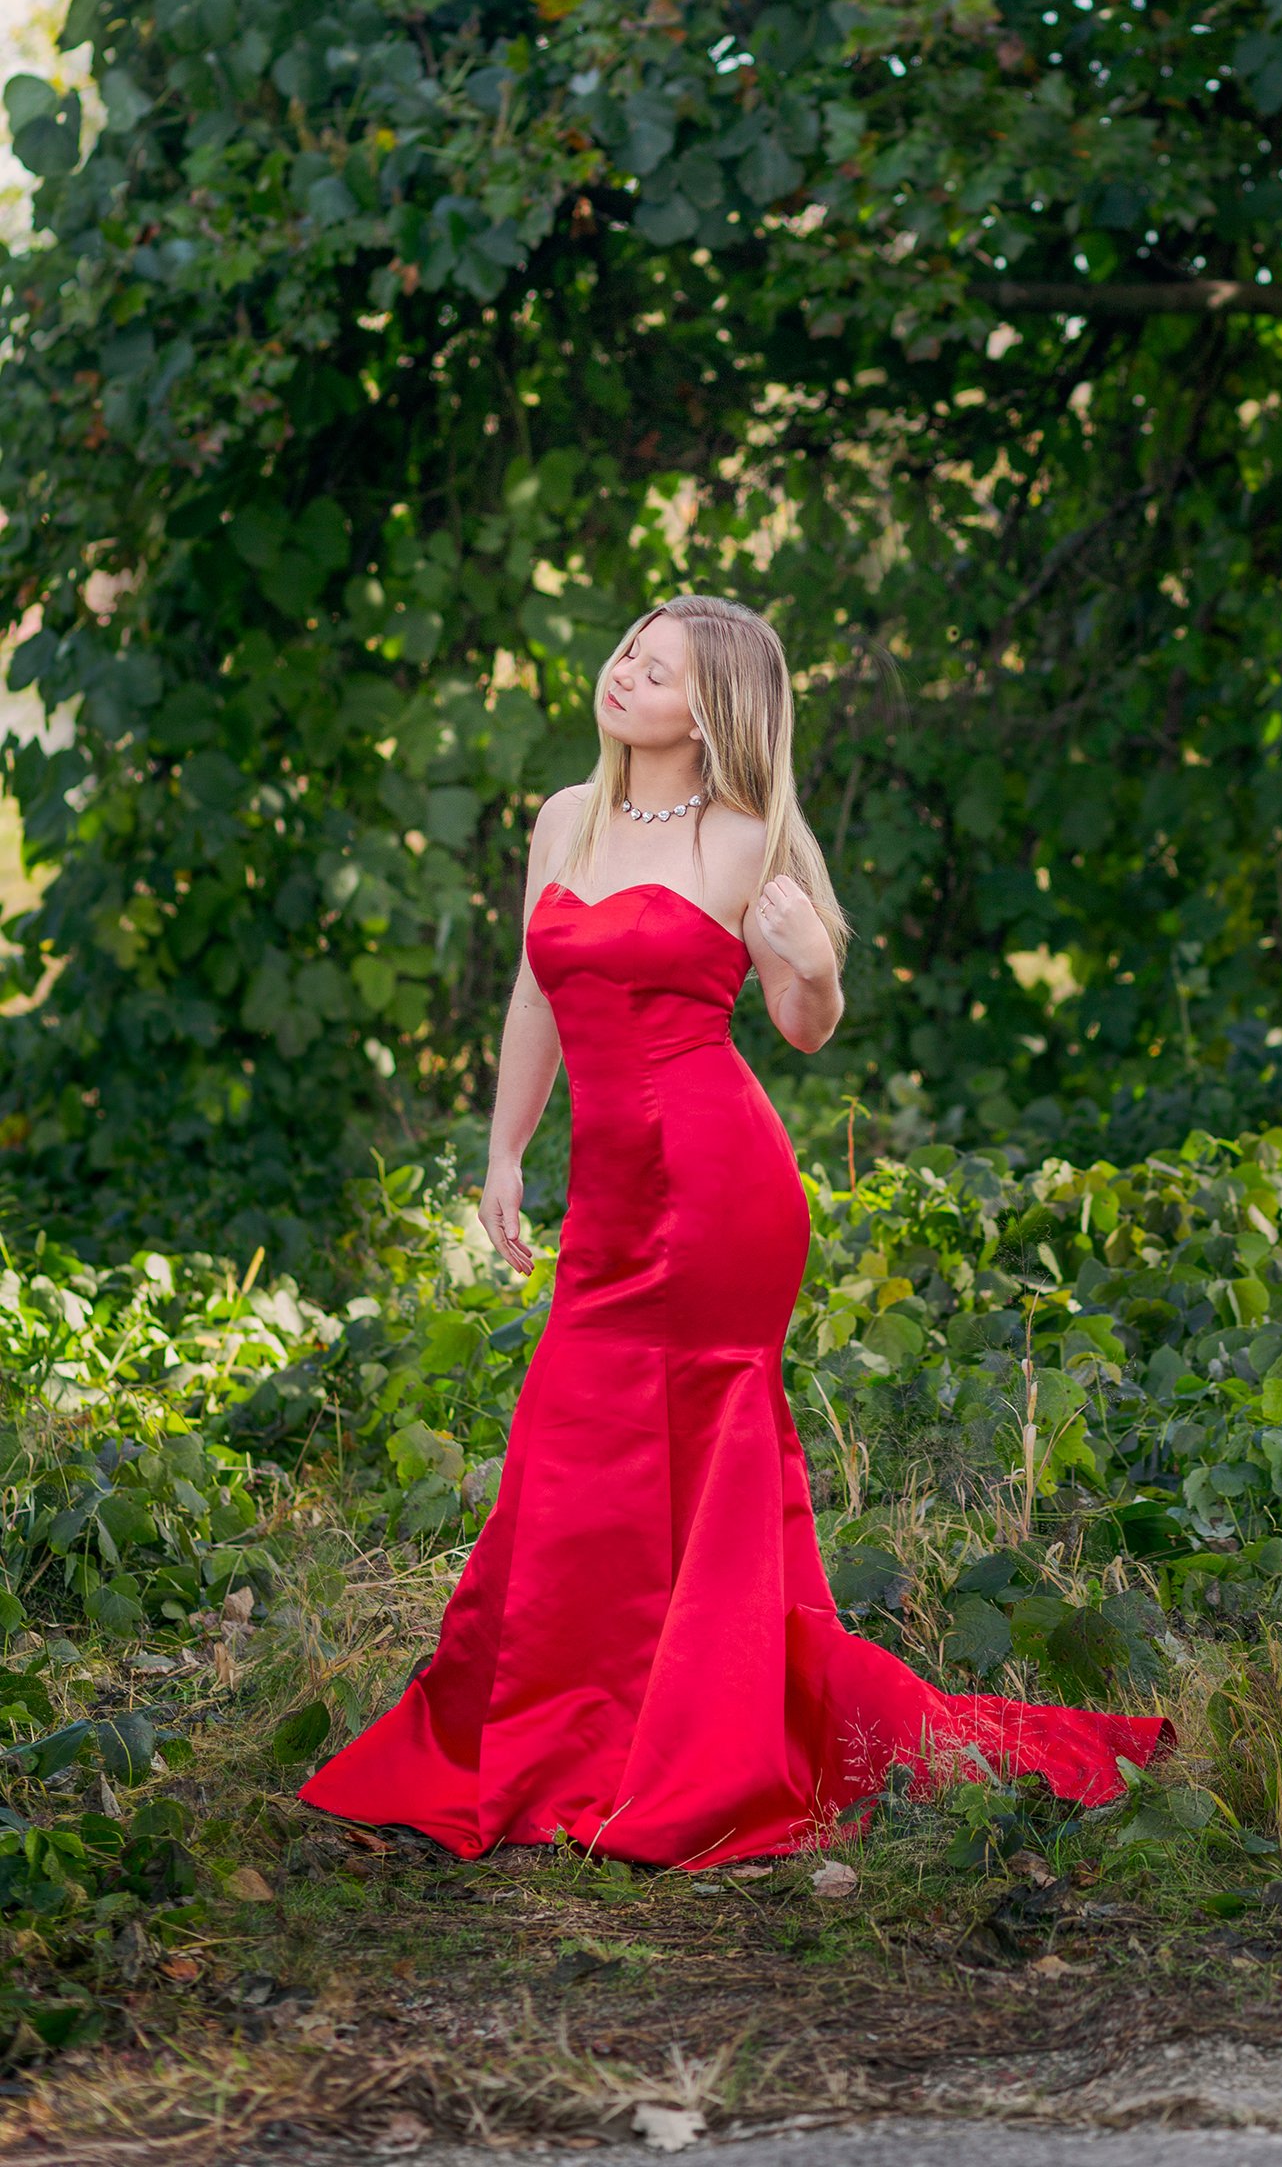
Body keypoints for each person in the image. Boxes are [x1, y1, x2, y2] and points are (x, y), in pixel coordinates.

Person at [300, 593, 1169, 1866]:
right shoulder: (564, 818)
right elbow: (534, 994)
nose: (623, 677)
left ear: (709, 715)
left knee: (700, 1467)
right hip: (605, 1193)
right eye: (626, 655)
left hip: (717, 1192)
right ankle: (568, 1738)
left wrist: (809, 957)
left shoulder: (747, 836)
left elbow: (808, 1022)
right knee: (575, 1453)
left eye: (655, 673)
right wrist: (502, 1149)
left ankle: (690, 1754)